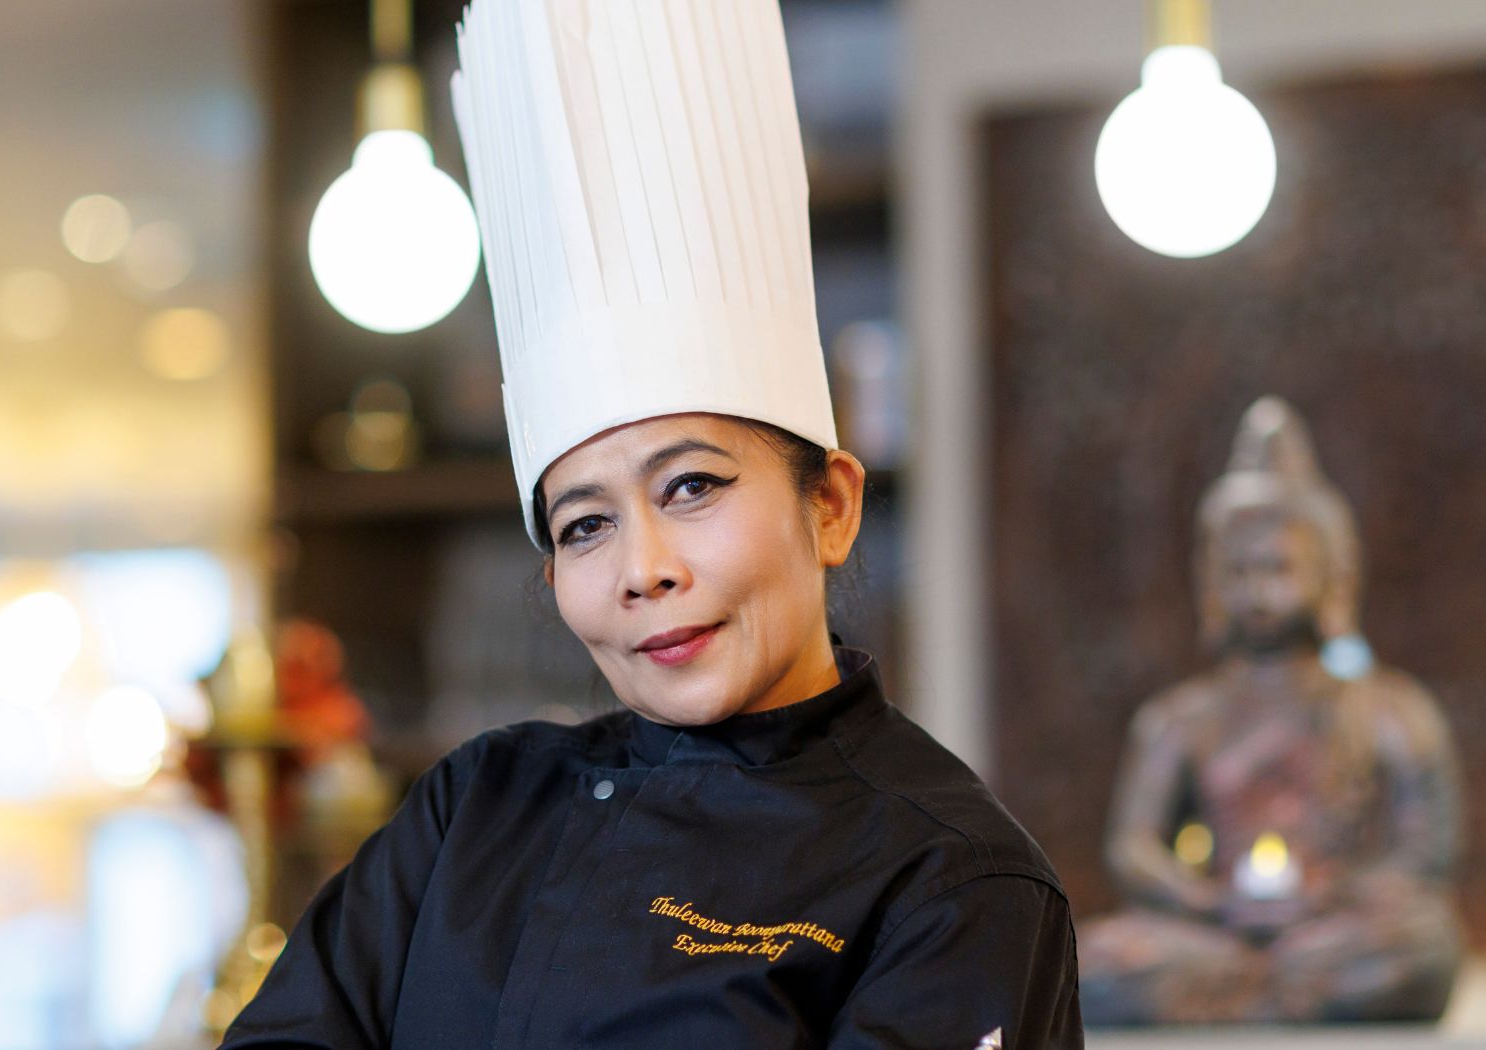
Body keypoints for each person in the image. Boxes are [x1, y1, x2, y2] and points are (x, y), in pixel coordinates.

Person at [215, 0, 1081, 1046]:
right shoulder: (473, 808)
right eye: (584, 526)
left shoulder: (952, 882)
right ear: (552, 575)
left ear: (831, 505)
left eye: (692, 488)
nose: (644, 568)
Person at [1076, 398, 1464, 1024]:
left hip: (1331, 927)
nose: (1256, 590)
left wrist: (1332, 894)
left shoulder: (1390, 709)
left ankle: (1242, 994)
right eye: (1237, 570)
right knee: (1093, 961)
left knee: (1427, 944)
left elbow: (1425, 856)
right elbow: (1134, 849)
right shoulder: (1179, 718)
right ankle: (1280, 993)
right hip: (1217, 928)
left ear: (1330, 575)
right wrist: (1206, 901)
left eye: (1278, 568)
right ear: (1209, 580)